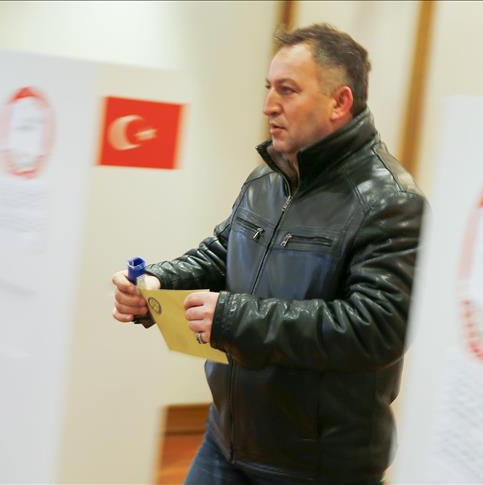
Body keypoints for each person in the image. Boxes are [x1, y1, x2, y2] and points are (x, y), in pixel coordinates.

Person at [111, 24, 426, 484]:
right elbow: (223, 253)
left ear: (339, 102)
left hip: (317, 467)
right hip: (226, 440)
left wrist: (235, 318)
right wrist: (157, 283)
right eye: (268, 88)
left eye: (287, 90)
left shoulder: (391, 202)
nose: (268, 105)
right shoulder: (267, 178)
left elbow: (375, 329)